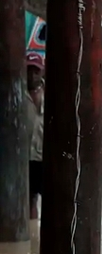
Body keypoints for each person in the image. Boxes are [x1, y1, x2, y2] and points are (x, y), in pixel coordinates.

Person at [26, 53, 44, 221]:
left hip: (43, 156)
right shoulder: (18, 94)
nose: (32, 75)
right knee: (29, 199)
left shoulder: (51, 94)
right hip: (25, 157)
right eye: (29, 71)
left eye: (36, 71)